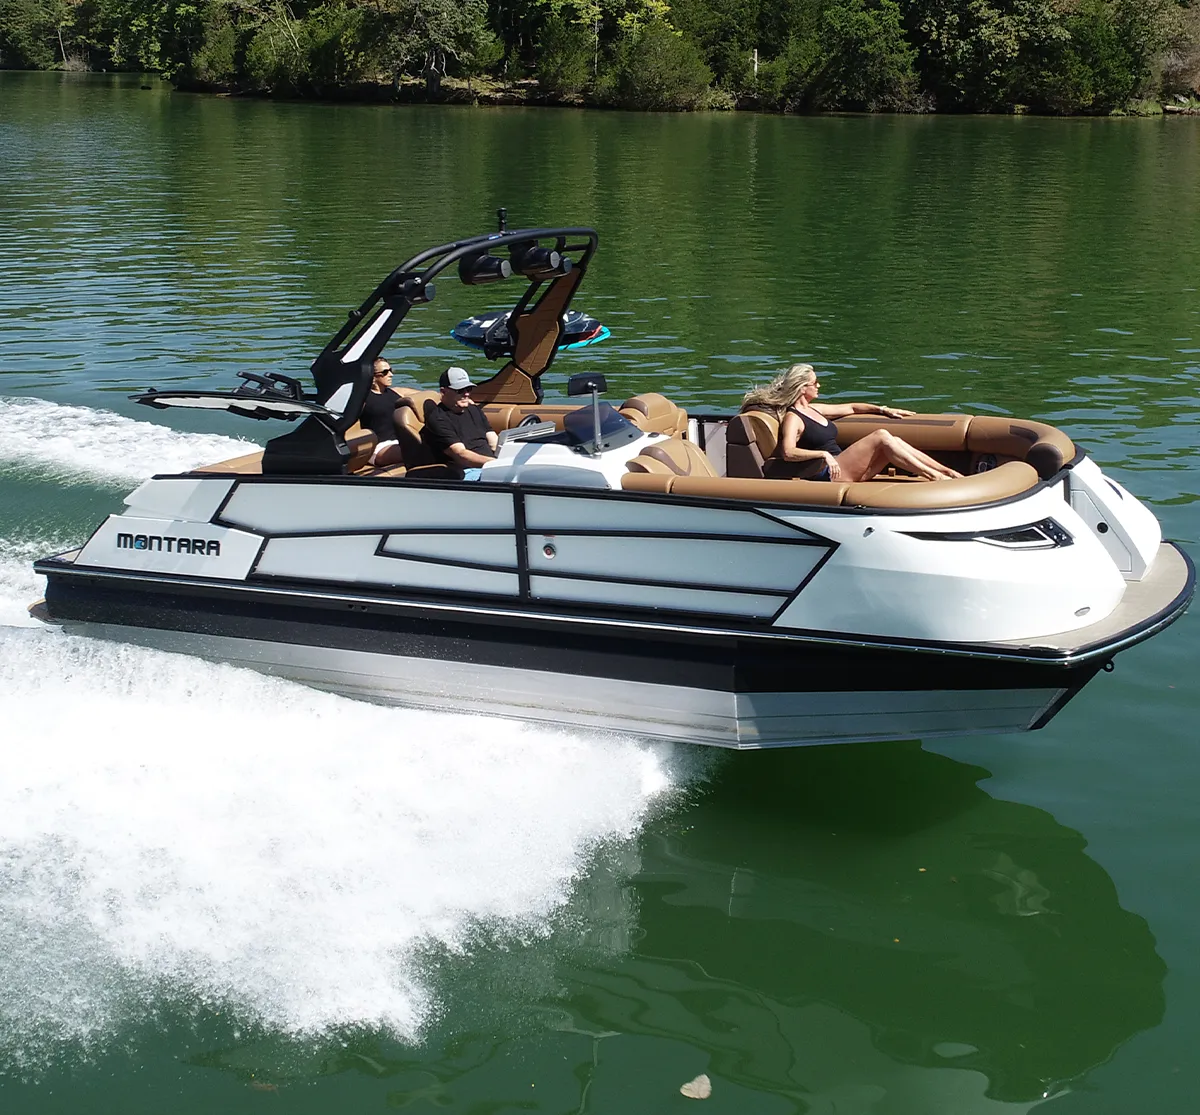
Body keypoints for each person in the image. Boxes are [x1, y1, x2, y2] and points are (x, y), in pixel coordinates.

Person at [742, 363, 962, 482]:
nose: (819, 386)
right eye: (815, 383)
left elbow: (852, 408)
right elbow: (788, 452)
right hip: (829, 475)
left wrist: (884, 409)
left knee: (892, 439)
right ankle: (934, 477)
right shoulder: (793, 418)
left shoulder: (814, 409)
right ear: (802, 388)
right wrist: (823, 455)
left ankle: (948, 473)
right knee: (881, 436)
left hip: (842, 465)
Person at [422, 366, 498, 480]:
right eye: (460, 391)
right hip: (465, 472)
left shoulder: (473, 409)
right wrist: (496, 464)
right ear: (443, 392)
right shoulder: (438, 419)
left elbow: (493, 441)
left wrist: (507, 460)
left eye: (468, 389)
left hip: (491, 466)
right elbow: (461, 455)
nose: (466, 394)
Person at [359, 358, 405, 467]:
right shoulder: (363, 398)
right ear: (373, 377)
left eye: (391, 370)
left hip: (398, 442)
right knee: (417, 450)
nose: (391, 375)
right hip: (378, 448)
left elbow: (429, 395)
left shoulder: (394, 392)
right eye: (385, 372)